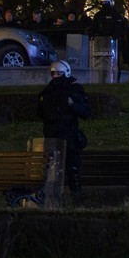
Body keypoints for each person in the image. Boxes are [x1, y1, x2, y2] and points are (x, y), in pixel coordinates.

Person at [37, 60, 92, 194]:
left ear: (66, 73)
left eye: (59, 73)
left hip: (69, 138)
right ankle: (52, 200)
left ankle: (76, 198)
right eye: (54, 74)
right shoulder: (47, 92)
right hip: (52, 138)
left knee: (72, 169)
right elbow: (40, 114)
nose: (56, 76)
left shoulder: (74, 90)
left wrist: (73, 105)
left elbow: (86, 112)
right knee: (52, 172)